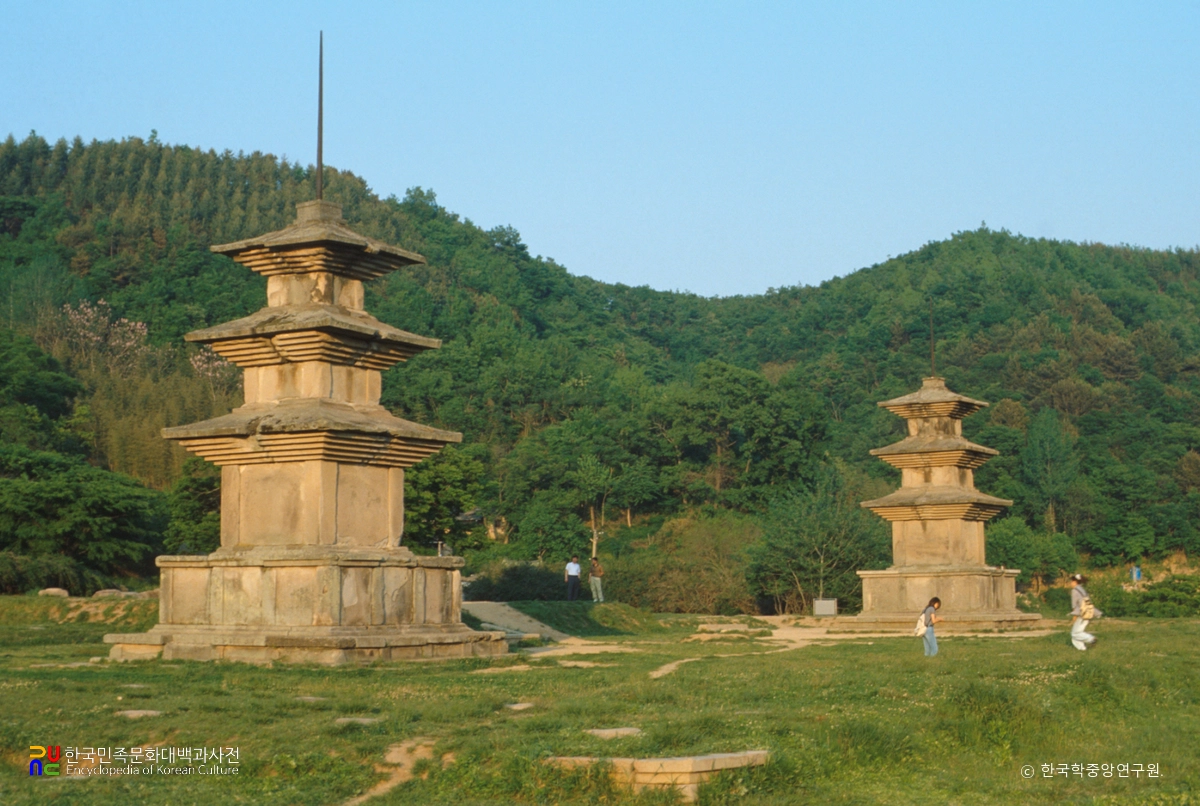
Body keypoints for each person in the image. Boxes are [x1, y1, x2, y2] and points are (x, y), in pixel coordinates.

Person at [1068, 574, 1096, 651]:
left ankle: (1090, 639)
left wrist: (1074, 616)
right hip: (1088, 613)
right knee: (1077, 633)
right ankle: (1082, 649)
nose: (1070, 583)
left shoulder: (1074, 591)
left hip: (1081, 614)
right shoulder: (1082, 590)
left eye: (1071, 581)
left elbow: (1075, 605)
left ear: (1075, 582)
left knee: (1074, 633)